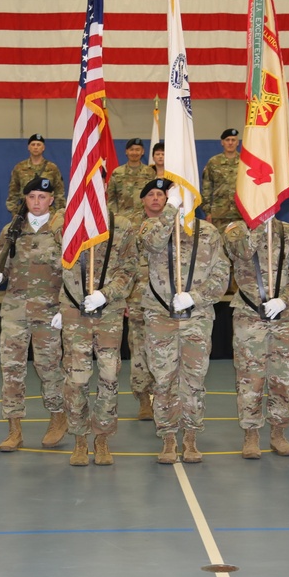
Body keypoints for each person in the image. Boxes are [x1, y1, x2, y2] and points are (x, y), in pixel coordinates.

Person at [139, 187, 230, 464]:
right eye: (178, 197)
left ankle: (190, 436)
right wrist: (170, 210)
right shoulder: (151, 226)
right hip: (160, 316)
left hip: (197, 316)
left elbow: (222, 273)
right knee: (164, 379)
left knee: (194, 379)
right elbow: (154, 244)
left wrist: (196, 297)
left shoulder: (210, 233)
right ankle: (167, 436)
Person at [0, 176, 66, 452]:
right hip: (15, 310)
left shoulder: (62, 230)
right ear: (25, 200)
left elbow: (73, 271)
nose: (36, 202)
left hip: (49, 310)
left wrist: (66, 305)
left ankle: (58, 418)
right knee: (11, 369)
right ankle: (14, 429)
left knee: (49, 368)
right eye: (31, 197)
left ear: (51, 200)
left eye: (42, 197)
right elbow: (1, 265)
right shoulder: (11, 230)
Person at [54, 212, 137, 466]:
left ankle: (102, 437)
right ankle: (79, 437)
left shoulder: (122, 224)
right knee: (76, 377)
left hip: (109, 310)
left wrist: (106, 294)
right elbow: (54, 252)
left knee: (109, 376)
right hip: (74, 309)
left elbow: (130, 267)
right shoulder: (65, 220)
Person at [223, 217, 289, 458]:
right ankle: (251, 434)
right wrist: (260, 224)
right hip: (249, 315)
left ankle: (279, 432)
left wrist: (285, 299)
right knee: (250, 377)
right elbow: (242, 251)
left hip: (283, 315)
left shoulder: (288, 232)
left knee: (282, 376)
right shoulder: (235, 230)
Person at [126, 178, 170, 422]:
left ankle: (165, 397)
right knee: (140, 349)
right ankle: (143, 398)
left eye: (160, 194)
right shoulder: (130, 226)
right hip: (139, 297)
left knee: (166, 350)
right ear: (143, 199)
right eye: (151, 194)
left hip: (167, 298)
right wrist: (123, 297)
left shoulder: (174, 224)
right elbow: (121, 263)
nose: (156, 198)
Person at [5, 133, 66, 214]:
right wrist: (15, 212)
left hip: (47, 213)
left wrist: (59, 214)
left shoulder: (52, 168)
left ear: (43, 148)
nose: (36, 147)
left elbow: (59, 193)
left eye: (38, 144)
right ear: (28, 147)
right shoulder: (19, 168)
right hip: (25, 213)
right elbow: (13, 192)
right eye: (33, 144)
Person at [106, 138, 156, 227]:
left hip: (144, 222)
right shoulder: (117, 173)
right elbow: (111, 199)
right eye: (131, 149)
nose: (134, 153)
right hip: (122, 223)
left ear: (142, 152)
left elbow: (154, 197)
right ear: (126, 152)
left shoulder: (150, 173)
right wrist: (115, 219)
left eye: (137, 150)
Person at [200, 128, 242, 229]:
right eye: (227, 140)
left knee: (241, 243)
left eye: (233, 140)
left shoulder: (245, 162)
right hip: (219, 214)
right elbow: (206, 189)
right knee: (219, 243)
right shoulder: (213, 162)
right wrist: (208, 212)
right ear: (222, 142)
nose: (230, 143)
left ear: (238, 143)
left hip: (241, 214)